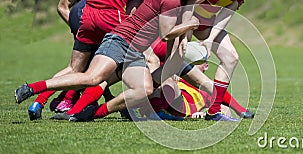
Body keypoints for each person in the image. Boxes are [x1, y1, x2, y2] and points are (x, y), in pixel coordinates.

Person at [15, 0, 199, 122]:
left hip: (134, 50)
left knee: (143, 89)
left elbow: (182, 21)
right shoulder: (172, 0)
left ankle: (91, 113)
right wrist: (191, 25)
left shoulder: (182, 3)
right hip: (120, 40)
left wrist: (186, 32)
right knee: (92, 78)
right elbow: (166, 34)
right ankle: (31, 88)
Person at [25, 0, 132, 120]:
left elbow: (62, 7)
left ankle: (38, 103)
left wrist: (80, 31)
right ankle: (74, 108)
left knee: (75, 68)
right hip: (108, 19)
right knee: (110, 71)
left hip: (84, 16)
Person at [188, 0, 245, 120]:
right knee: (171, 60)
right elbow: (185, 5)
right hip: (183, 19)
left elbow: (228, 10)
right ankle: (154, 105)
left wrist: (210, 39)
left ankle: (214, 111)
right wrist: (185, 32)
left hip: (205, 24)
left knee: (231, 58)